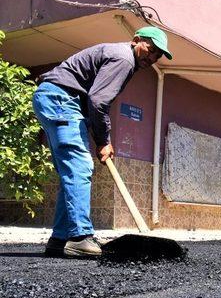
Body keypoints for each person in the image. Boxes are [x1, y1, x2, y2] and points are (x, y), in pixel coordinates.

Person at [32, 27, 172, 258]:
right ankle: (80, 237)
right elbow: (98, 101)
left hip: (54, 99)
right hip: (60, 99)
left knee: (71, 171)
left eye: (158, 55)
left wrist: (99, 138)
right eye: (151, 49)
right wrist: (103, 141)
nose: (152, 57)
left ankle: (59, 240)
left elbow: (93, 100)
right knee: (80, 167)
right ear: (136, 40)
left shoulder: (120, 56)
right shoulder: (125, 58)